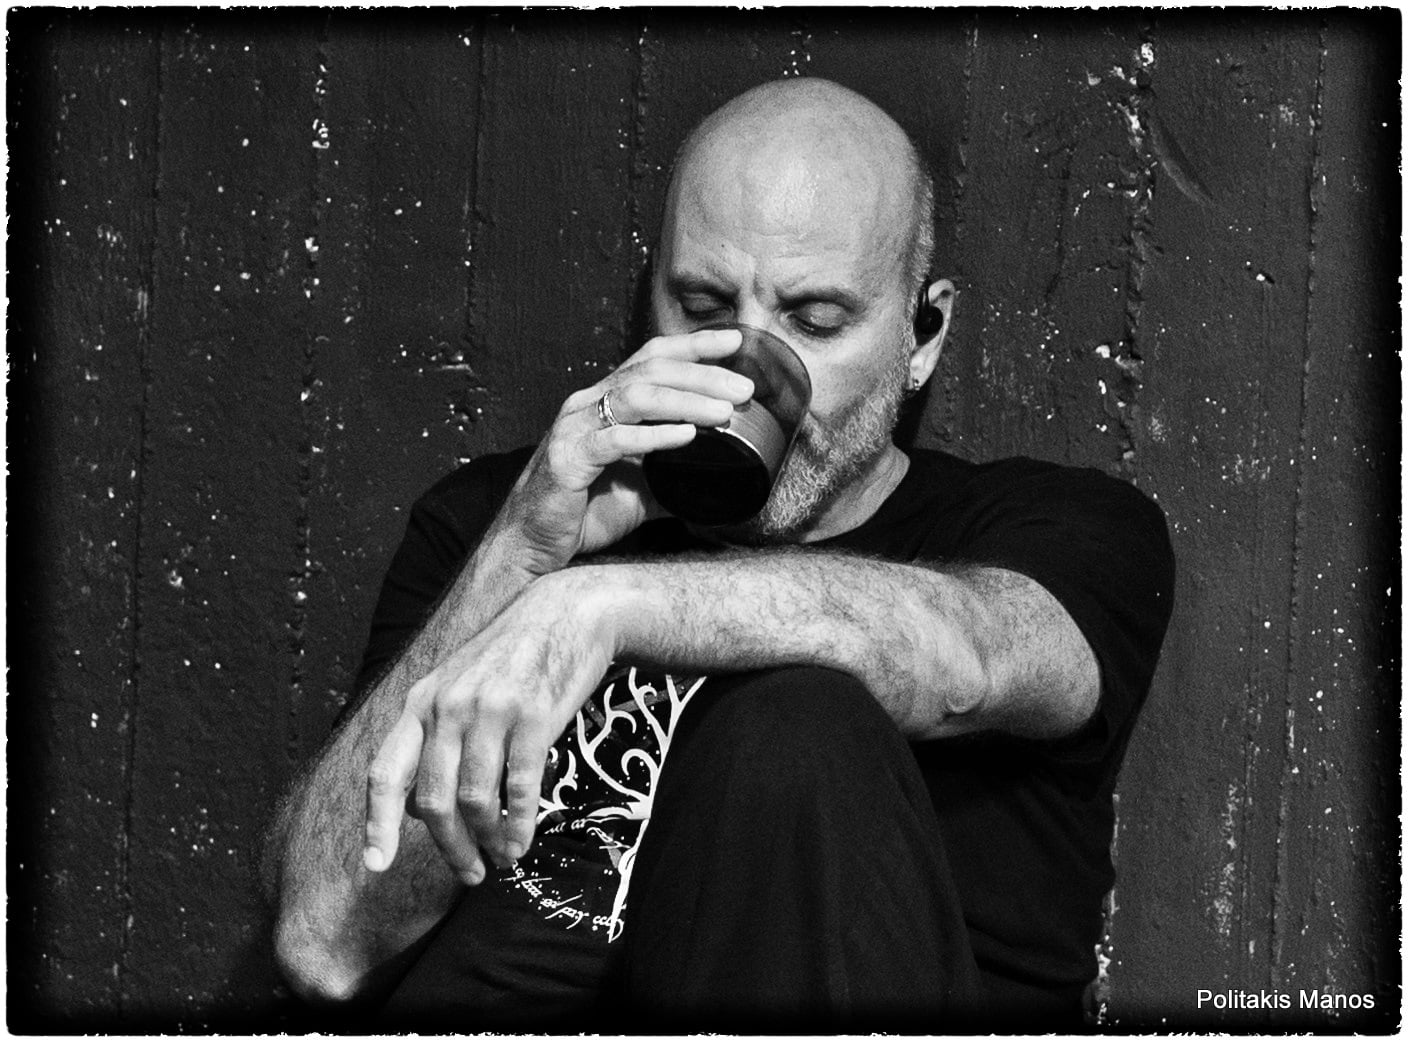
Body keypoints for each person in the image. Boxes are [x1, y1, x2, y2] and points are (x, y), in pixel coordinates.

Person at [262, 77, 1174, 1032]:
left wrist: (596, 609)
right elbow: (322, 948)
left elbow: (965, 657)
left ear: (923, 335)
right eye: (703, 307)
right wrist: (519, 561)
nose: (746, 365)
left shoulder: (1054, 530)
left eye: (815, 321)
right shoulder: (505, 522)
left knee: (796, 727)